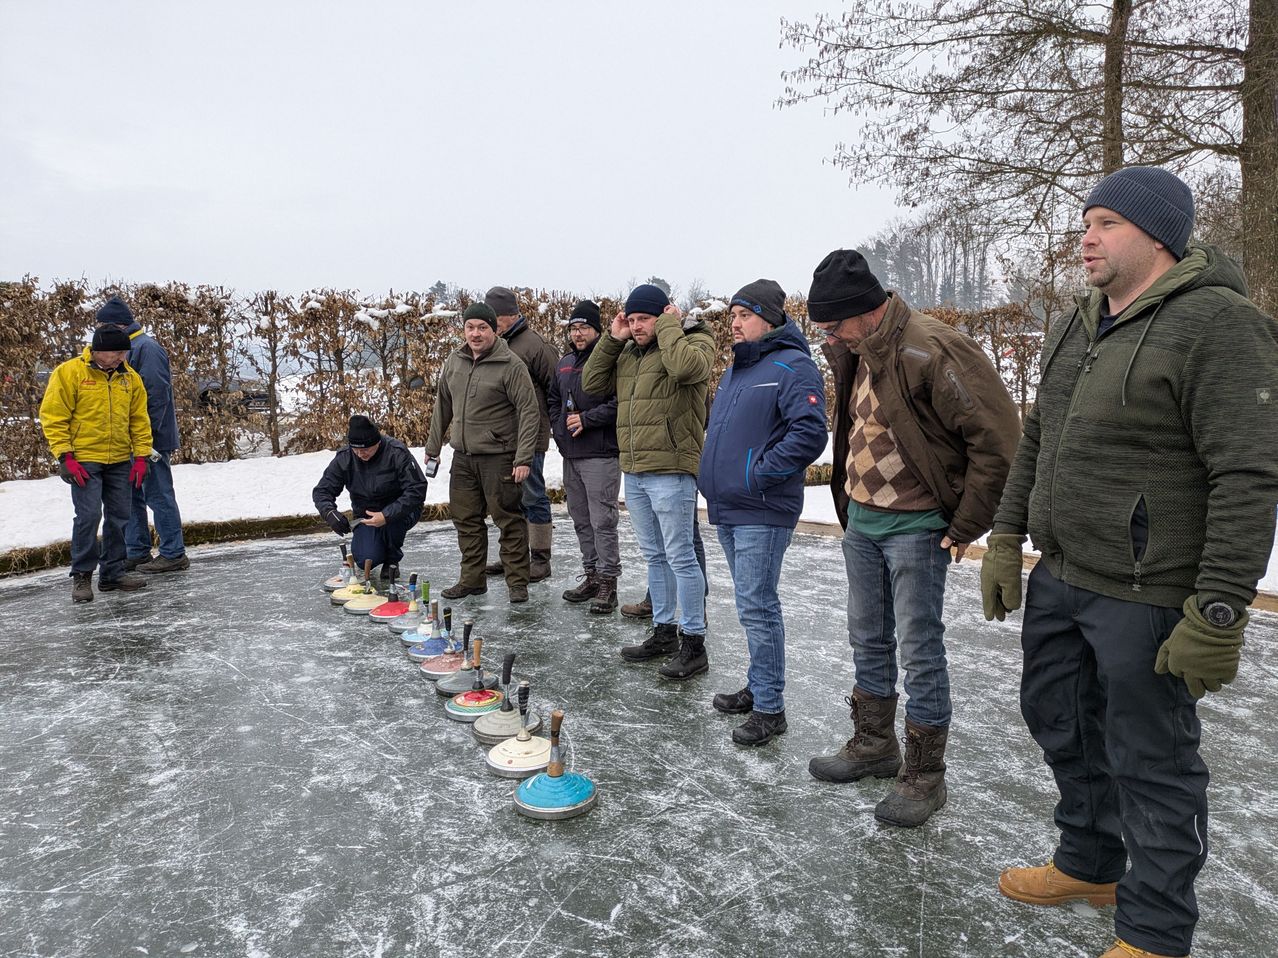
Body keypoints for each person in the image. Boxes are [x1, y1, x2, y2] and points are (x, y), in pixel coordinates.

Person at [981, 166, 1278, 958]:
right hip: (1065, 576)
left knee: (1153, 762)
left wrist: (1218, 609)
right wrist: (1009, 538)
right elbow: (1038, 438)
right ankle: (1089, 863)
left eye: (1107, 222)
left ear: (1158, 236)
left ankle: (1154, 929)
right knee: (1060, 722)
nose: (1086, 237)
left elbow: (1247, 474)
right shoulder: (1077, 324)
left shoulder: (1218, 324)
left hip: (1149, 593)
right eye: (1086, 221)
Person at [805, 249, 1019, 827]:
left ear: (865, 310)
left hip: (917, 527)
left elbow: (997, 439)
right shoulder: (858, 349)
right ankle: (875, 745)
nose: (828, 333)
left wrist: (967, 524)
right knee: (867, 637)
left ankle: (926, 776)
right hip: (865, 523)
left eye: (833, 322)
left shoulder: (931, 346)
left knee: (920, 648)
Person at [699, 280, 827, 745]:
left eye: (744, 315)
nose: (734, 323)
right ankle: (758, 686)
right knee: (749, 603)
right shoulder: (738, 369)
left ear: (770, 319)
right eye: (732, 315)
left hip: (762, 507)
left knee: (758, 605)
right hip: (729, 505)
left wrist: (757, 474)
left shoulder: (793, 367)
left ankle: (771, 707)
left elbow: (810, 433)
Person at [581, 282, 715, 678]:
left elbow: (686, 368)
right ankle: (664, 632)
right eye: (632, 319)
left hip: (672, 469)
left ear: (666, 315)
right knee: (656, 556)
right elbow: (591, 384)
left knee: (681, 557)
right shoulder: (628, 353)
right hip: (636, 469)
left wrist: (671, 327)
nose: (637, 326)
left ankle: (694, 643)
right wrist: (612, 337)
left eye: (645, 319)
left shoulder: (696, 340)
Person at [424, 302, 540, 603]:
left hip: (499, 456)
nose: (476, 334)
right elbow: (443, 405)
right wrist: (433, 447)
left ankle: (517, 582)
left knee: (509, 520)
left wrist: (523, 457)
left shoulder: (510, 364)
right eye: (470, 327)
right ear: (464, 330)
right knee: (466, 520)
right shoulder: (455, 361)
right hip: (462, 456)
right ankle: (472, 580)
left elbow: (529, 412)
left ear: (493, 329)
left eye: (482, 328)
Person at [39, 324, 154, 603]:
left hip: (119, 459)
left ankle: (112, 573)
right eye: (116, 353)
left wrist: (141, 456)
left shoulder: (130, 379)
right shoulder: (70, 373)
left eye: (124, 353)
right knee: (89, 516)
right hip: (84, 460)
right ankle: (81, 575)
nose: (121, 358)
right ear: (98, 351)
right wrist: (65, 456)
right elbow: (53, 416)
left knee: (119, 517)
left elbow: (139, 420)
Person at [93, 296, 189, 574]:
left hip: (151, 440)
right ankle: (137, 550)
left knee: (158, 495)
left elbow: (156, 396)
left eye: (103, 326)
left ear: (118, 325)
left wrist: (147, 440)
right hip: (129, 440)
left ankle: (173, 553)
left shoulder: (146, 348)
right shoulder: (127, 347)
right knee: (131, 496)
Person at [547, 299, 622, 613]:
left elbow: (622, 402)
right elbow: (553, 398)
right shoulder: (564, 362)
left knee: (602, 520)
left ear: (597, 329)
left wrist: (588, 419)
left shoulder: (610, 360)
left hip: (600, 453)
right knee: (580, 520)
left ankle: (608, 582)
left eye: (585, 327)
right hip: (571, 454)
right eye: (574, 328)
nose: (578, 333)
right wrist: (559, 429)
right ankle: (591, 574)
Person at [484, 286, 560, 582]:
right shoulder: (495, 344)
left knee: (532, 495)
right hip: (501, 439)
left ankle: (540, 558)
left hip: (529, 438)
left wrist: (551, 428)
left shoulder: (533, 345)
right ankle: (514, 555)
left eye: (496, 319)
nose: (492, 325)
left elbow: (556, 388)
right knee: (508, 499)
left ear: (510, 315)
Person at [312, 415, 427, 582]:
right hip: (365, 515)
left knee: (392, 525)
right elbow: (322, 491)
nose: (360, 454)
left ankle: (392, 561)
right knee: (366, 558)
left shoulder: (396, 452)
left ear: (377, 442)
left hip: (399, 510)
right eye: (356, 450)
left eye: (365, 449)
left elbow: (417, 488)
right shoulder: (345, 457)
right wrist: (329, 513)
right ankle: (376, 549)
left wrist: (387, 515)